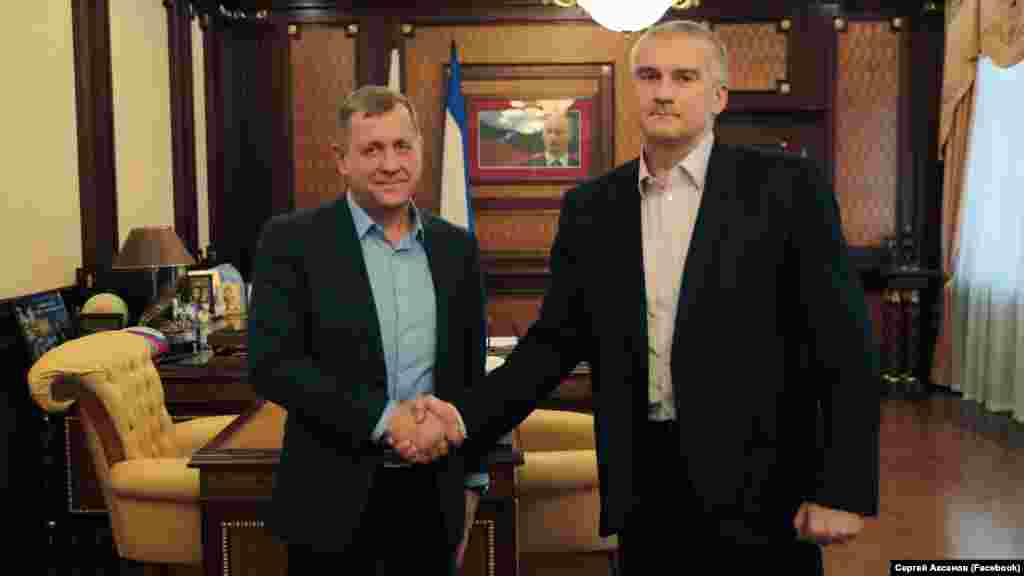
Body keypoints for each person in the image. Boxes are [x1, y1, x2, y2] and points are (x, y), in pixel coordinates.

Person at [404, 19, 880, 574]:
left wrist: (842, 488)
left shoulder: (788, 188)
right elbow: (550, 347)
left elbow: (843, 343)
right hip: (645, 489)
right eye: (650, 76)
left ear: (719, 96)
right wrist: (461, 418)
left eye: (684, 77)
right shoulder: (592, 209)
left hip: (765, 490)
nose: (664, 91)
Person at [247, 85, 489, 575]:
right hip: (329, 505)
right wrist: (384, 418)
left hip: (432, 503)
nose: (390, 164)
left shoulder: (456, 249)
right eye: (372, 149)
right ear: (341, 160)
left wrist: (472, 483)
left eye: (402, 146)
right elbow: (272, 366)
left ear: (420, 150)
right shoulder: (291, 241)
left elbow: (469, 375)